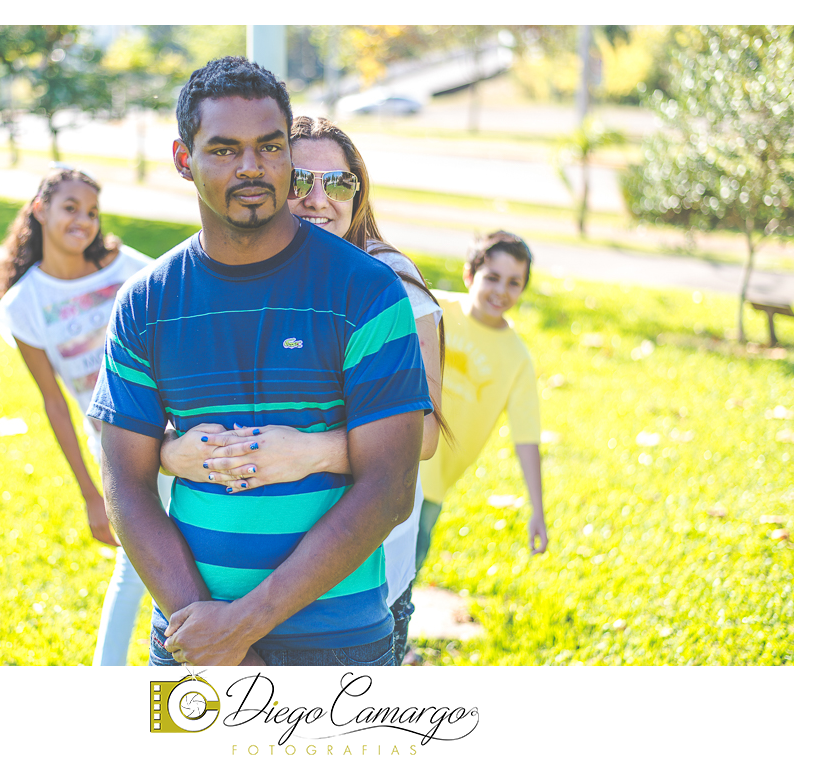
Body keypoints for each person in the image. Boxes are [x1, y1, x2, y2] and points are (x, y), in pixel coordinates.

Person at [87, 56, 432, 667]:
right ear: (183, 158)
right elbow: (126, 485)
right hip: (188, 637)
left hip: (339, 643)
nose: (251, 166)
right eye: (224, 149)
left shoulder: (367, 292)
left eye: (270, 147)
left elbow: (390, 487)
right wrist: (208, 633)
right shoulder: (146, 301)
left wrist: (243, 625)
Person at [160, 115, 450, 666]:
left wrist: (309, 452)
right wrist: (175, 452)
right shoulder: (231, 277)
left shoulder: (389, 284)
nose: (319, 199)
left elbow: (427, 434)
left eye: (338, 183)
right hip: (218, 586)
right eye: (301, 181)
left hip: (354, 588)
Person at [0, 166, 171, 666]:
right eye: (71, 208)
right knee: (139, 567)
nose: (83, 221)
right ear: (40, 210)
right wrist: (92, 494)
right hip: (118, 447)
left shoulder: (129, 269)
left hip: (179, 434)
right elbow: (54, 403)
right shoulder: (25, 305)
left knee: (172, 564)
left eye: (92, 212)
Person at [418, 231, 549, 581]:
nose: (501, 291)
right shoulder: (432, 308)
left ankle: (393, 635)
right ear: (469, 274)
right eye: (492, 277)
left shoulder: (517, 358)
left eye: (513, 283)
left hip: (434, 484)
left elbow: (526, 435)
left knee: (407, 568)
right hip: (393, 454)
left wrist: (537, 509)